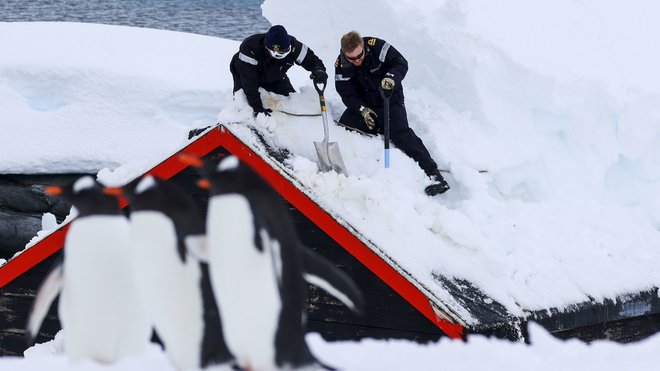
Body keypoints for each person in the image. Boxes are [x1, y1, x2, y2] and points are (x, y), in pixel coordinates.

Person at [334, 31, 450, 196]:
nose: (357, 61)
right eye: (352, 59)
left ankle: (434, 175)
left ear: (363, 47)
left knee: (400, 133)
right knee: (345, 125)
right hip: (367, 104)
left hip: (390, 98)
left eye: (360, 56)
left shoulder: (377, 47)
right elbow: (347, 94)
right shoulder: (341, 65)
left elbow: (401, 62)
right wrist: (363, 110)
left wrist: (391, 78)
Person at [230, 25, 328, 120]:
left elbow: (311, 60)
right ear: (267, 47)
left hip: (275, 75)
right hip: (245, 75)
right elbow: (249, 83)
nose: (282, 54)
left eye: (285, 51)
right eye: (278, 53)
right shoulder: (250, 48)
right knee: (246, 106)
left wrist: (319, 70)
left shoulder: (294, 46)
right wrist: (257, 108)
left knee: (290, 101)